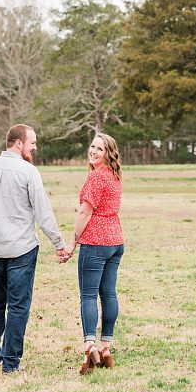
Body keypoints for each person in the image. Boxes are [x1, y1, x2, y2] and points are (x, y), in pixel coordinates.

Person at [0, 124, 68, 375]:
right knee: (18, 305)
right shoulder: (28, 172)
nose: (35, 147)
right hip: (22, 249)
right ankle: (11, 362)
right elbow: (43, 212)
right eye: (32, 143)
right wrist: (59, 243)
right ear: (18, 143)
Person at [63, 133, 125, 375]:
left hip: (96, 242)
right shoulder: (114, 175)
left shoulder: (97, 177)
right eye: (92, 146)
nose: (93, 151)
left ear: (108, 153)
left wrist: (72, 243)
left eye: (99, 148)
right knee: (108, 294)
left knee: (88, 296)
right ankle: (106, 346)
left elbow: (84, 213)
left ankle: (90, 346)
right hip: (115, 240)